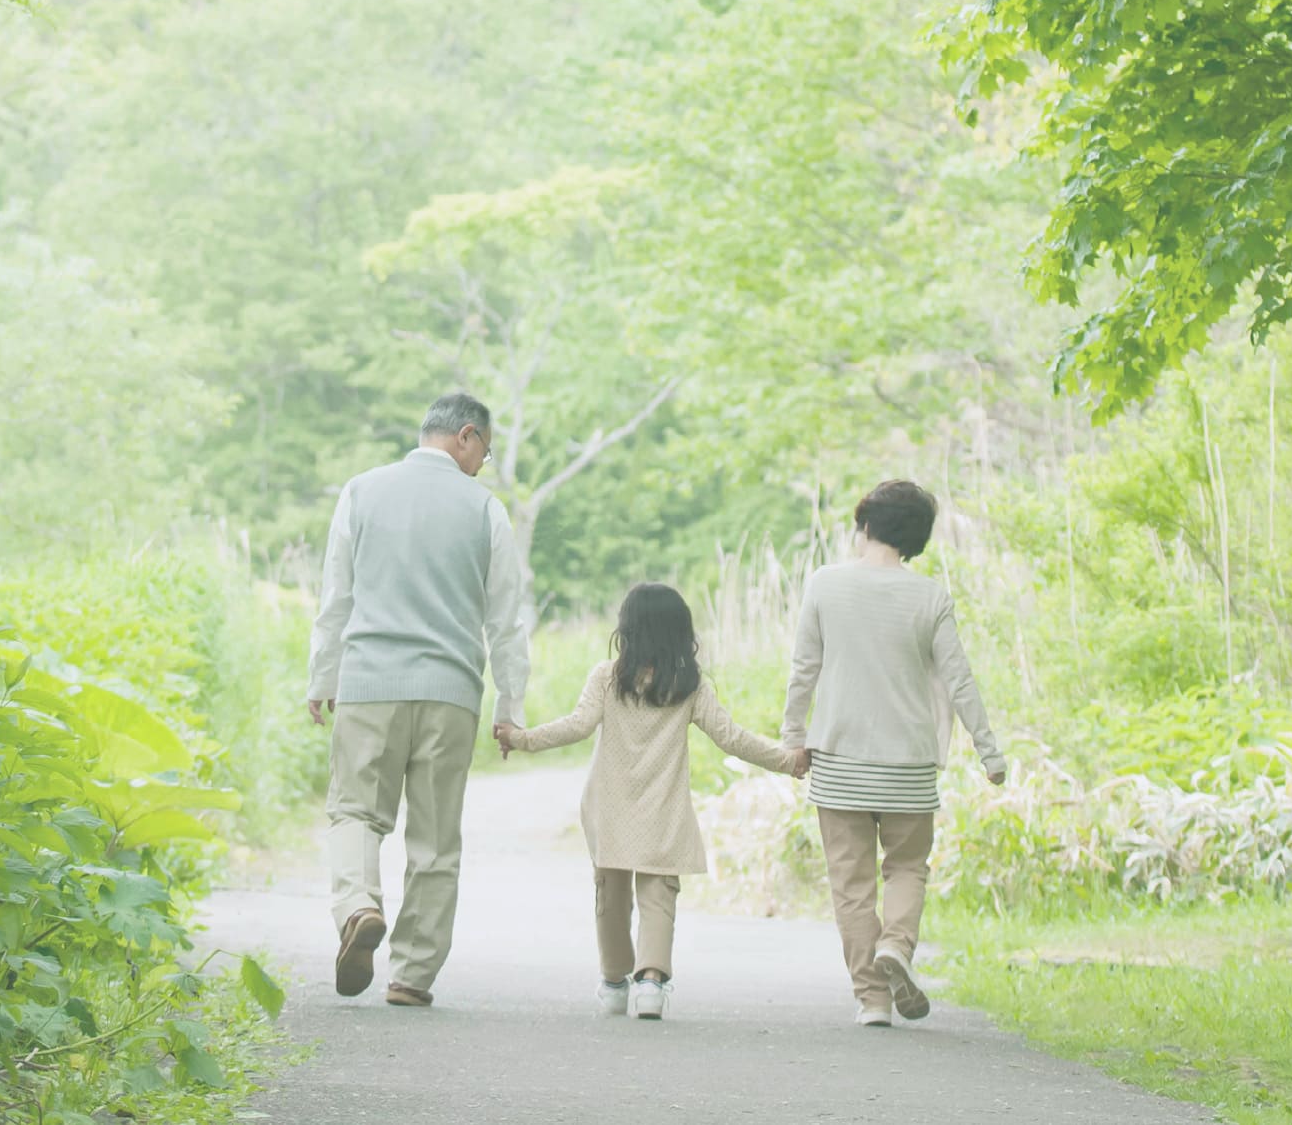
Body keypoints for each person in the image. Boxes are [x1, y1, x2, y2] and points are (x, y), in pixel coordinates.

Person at [306, 393, 530, 1007]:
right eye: (485, 449)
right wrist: (510, 705)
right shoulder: (485, 509)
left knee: (355, 812)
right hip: (450, 693)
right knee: (434, 838)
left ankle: (357, 907)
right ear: (464, 436)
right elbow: (506, 619)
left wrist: (322, 678)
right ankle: (412, 975)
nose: (484, 463)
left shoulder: (361, 491)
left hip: (369, 684)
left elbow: (336, 597)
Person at [496, 582, 800, 1021]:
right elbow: (733, 739)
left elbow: (576, 727)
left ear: (628, 629)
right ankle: (652, 982)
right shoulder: (690, 685)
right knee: (659, 894)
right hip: (664, 807)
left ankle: (615, 981)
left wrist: (522, 740)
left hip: (609, 807)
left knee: (611, 895)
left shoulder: (606, 678)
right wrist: (787, 760)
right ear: (681, 633)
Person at [782, 481, 1007, 1027]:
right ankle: (897, 949)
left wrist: (793, 737)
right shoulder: (929, 596)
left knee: (851, 884)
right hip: (908, 762)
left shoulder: (824, 584)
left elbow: (803, 668)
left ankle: (872, 1000)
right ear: (915, 539)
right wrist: (988, 751)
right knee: (907, 867)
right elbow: (959, 680)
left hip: (839, 760)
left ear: (864, 526)